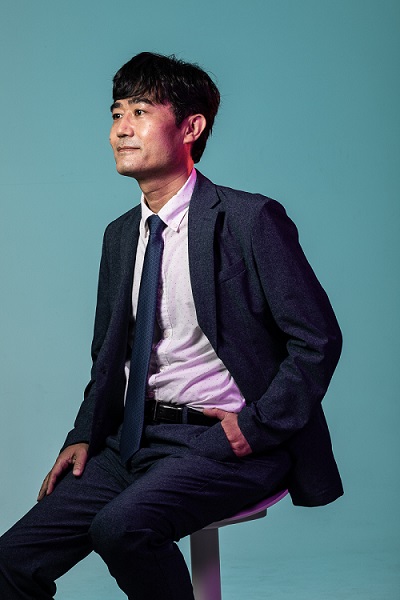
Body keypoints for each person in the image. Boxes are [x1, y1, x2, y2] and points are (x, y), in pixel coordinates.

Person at [0, 52, 343, 600]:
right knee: (10, 561)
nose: (121, 129)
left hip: (224, 442)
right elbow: (108, 358)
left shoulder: (250, 220)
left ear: (191, 127)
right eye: (116, 114)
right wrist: (83, 434)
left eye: (140, 112)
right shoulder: (119, 236)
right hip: (133, 440)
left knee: (120, 529)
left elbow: (317, 340)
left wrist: (255, 427)